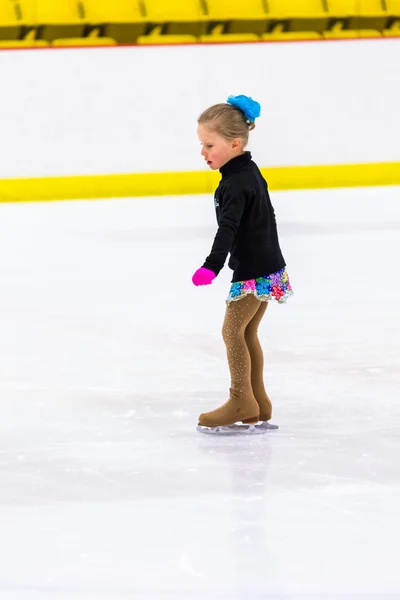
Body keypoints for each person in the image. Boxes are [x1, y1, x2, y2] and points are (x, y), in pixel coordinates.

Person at [192, 95, 293, 433]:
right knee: (247, 332)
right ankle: (258, 403)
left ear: (235, 144)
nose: (203, 152)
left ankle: (241, 399)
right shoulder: (247, 171)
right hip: (268, 265)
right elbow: (268, 217)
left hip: (253, 270)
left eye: (209, 144)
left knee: (232, 331)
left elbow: (228, 230)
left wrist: (212, 265)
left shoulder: (235, 183)